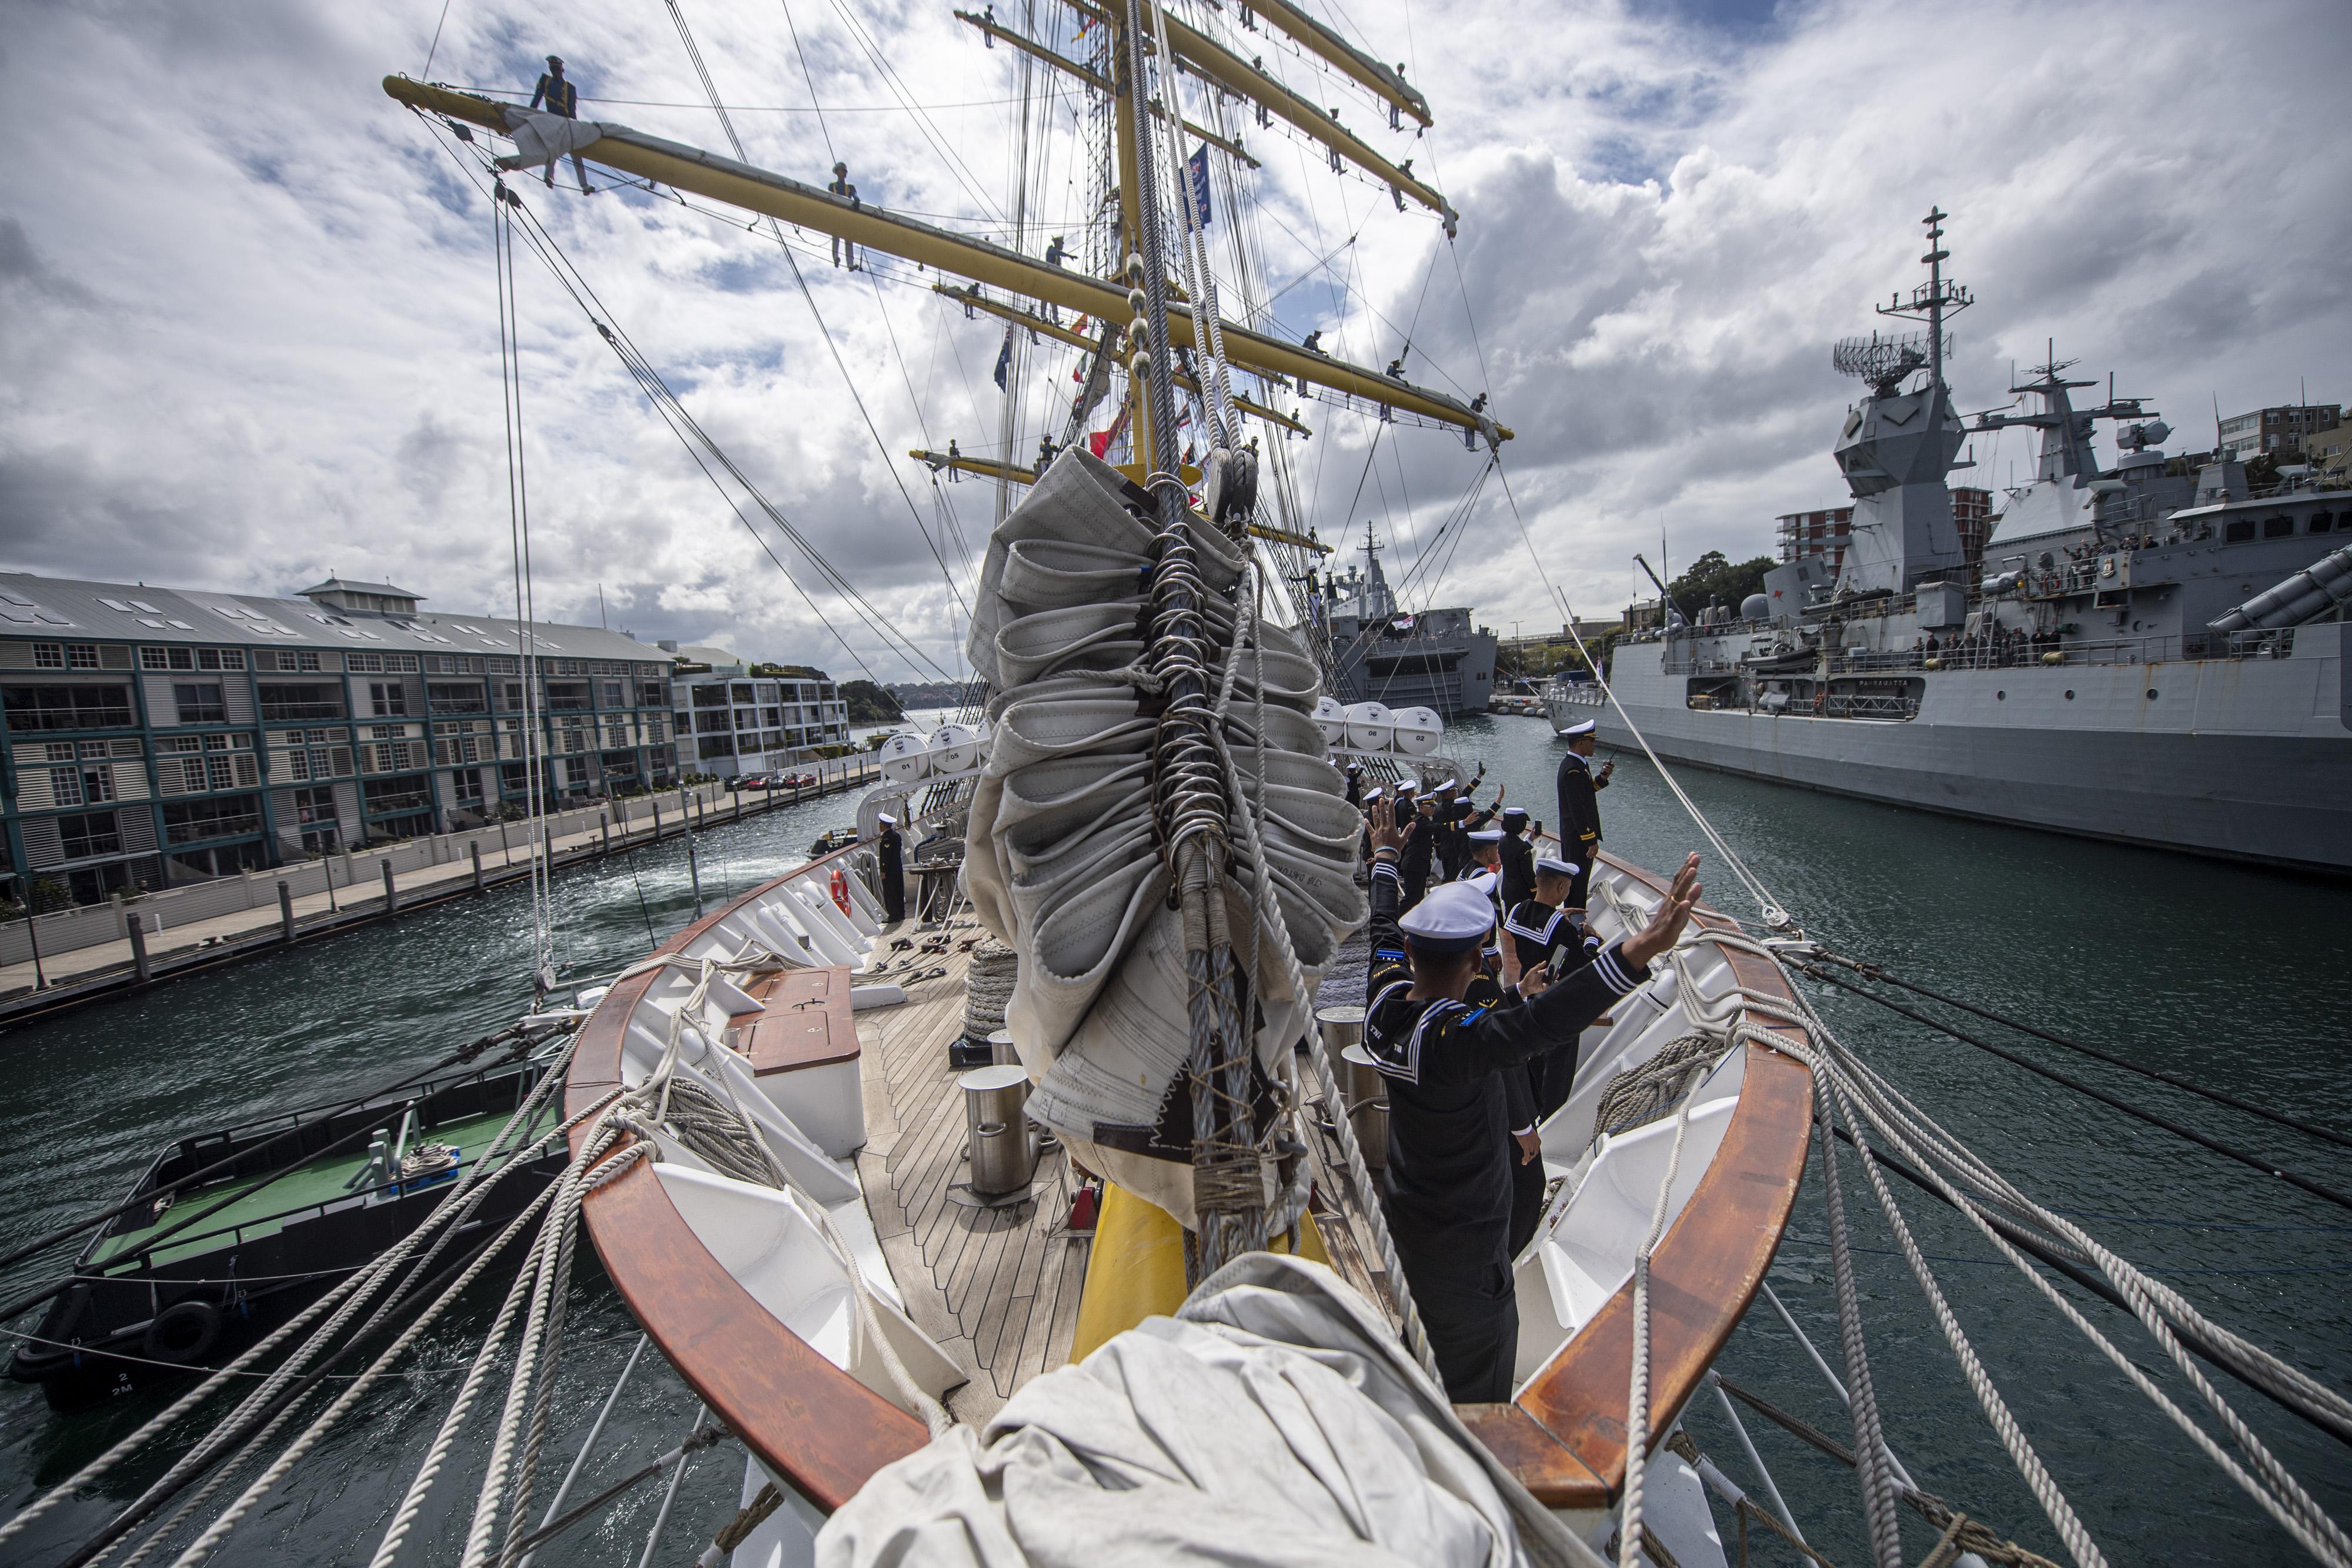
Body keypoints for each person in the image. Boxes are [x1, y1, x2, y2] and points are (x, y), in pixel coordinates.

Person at [1361, 798, 1702, 1399]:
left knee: (1422, 1350)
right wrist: (1642, 947)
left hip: (1408, 1233)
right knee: (1475, 1390)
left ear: (1411, 955)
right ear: (1477, 959)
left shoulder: (1383, 1006)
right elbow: (1537, 1027)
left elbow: (1383, 927)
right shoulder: (1456, 1042)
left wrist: (1385, 856)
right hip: (1466, 1264)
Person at [1501, 857, 1602, 1118]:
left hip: (1529, 997)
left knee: (1534, 1059)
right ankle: (1551, 1117)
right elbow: (1581, 968)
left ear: (1537, 880)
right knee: (1558, 1071)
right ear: (1561, 888)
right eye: (1567, 888)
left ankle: (1532, 1110)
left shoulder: (1518, 910)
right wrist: (1591, 940)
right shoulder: (1561, 929)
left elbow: (1537, 923)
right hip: (1559, 1004)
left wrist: (1558, 917)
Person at [1555, 718, 1612, 909]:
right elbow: (1577, 808)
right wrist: (1590, 839)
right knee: (1577, 885)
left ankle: (1575, 920)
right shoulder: (1573, 769)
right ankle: (1576, 923)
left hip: (1574, 836)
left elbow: (1584, 791)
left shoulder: (1577, 764)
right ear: (1581, 743)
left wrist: (1602, 778)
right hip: (1578, 838)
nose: (1594, 744)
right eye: (1592, 740)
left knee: (1577, 883)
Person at [527, 56, 593, 192]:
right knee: (553, 147)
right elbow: (536, 99)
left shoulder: (570, 88)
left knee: (576, 153)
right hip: (552, 120)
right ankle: (549, 176)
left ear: (562, 70)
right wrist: (529, 115)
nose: (555, 72)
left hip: (567, 122)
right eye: (553, 69)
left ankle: (584, 185)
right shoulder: (545, 81)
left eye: (557, 69)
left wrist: (574, 125)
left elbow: (572, 109)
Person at [1496, 805, 1535, 908]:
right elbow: (1529, 876)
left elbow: (1514, 851)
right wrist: (1536, 892)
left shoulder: (1502, 841)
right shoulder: (1522, 848)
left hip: (1507, 892)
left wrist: (1530, 840)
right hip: (1522, 896)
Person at [827, 163, 861, 269]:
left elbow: (855, 196)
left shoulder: (850, 187)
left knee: (849, 238)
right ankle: (836, 257)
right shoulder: (832, 186)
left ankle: (850, 263)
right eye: (842, 171)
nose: (844, 173)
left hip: (847, 214)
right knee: (836, 235)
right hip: (837, 212)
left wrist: (857, 200)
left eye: (845, 172)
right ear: (837, 172)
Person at [876, 811, 905, 921]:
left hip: (890, 871)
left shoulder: (886, 838)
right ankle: (901, 914)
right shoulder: (897, 835)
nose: (880, 826)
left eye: (880, 824)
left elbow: (886, 856)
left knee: (890, 893)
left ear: (884, 825)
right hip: (898, 868)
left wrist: (883, 871)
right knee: (899, 892)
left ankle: (894, 915)